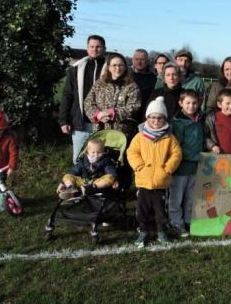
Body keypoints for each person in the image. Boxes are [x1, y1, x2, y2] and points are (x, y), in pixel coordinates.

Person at [127, 97, 183, 247]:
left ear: (164, 118)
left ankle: (161, 231)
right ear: (147, 117)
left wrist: (168, 169)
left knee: (161, 211)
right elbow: (132, 152)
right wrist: (139, 166)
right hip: (144, 181)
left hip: (161, 181)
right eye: (152, 117)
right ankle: (143, 230)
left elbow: (176, 154)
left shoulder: (169, 137)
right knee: (142, 209)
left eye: (160, 118)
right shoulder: (140, 136)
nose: (156, 121)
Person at [59, 34, 107, 164]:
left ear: (104, 48)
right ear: (87, 48)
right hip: (81, 123)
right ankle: (78, 183)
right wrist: (64, 120)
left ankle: (98, 184)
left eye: (98, 47)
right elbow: (67, 95)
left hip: (103, 123)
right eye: (91, 46)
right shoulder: (76, 69)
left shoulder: (110, 69)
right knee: (79, 159)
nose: (94, 49)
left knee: (101, 160)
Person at [170, 90, 205, 237]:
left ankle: (188, 220)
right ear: (181, 103)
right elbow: (177, 147)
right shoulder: (177, 122)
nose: (191, 106)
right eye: (188, 103)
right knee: (176, 198)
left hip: (195, 167)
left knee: (191, 196)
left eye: (195, 103)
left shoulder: (199, 119)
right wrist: (197, 156)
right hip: (180, 167)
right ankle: (175, 223)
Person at [84, 53, 141, 140]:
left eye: (120, 65)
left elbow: (134, 107)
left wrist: (111, 113)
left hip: (122, 134)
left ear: (125, 67)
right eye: (114, 65)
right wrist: (97, 115)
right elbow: (88, 102)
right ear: (109, 67)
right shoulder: (100, 84)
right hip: (100, 130)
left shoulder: (132, 86)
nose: (117, 68)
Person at [205, 89, 231, 155]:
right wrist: (212, 146)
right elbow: (205, 137)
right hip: (216, 157)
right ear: (219, 104)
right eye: (228, 103)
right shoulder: (211, 119)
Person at [131, 49, 157, 121]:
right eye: (137, 59)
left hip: (146, 116)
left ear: (147, 61)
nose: (139, 62)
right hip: (129, 116)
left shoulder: (154, 78)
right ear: (132, 60)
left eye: (142, 59)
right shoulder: (127, 76)